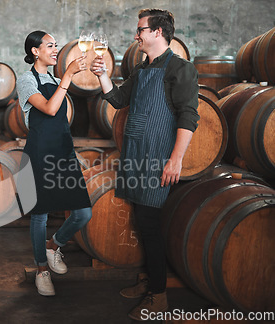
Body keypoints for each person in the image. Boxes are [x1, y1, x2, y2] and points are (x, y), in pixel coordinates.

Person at [90, 9, 200, 320]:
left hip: (158, 157)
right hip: (136, 155)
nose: (136, 35)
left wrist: (175, 159)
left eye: (141, 29)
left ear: (157, 32)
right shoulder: (141, 70)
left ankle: (159, 296)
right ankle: (152, 281)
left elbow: (188, 116)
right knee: (142, 222)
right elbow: (117, 99)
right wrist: (102, 76)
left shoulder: (181, 69)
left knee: (150, 227)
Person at [16, 31, 93, 297]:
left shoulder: (57, 80)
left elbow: (61, 114)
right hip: (39, 153)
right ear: (35, 51)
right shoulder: (27, 80)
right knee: (40, 214)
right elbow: (48, 109)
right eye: (50, 46)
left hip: (63, 152)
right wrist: (69, 77)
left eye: (56, 46)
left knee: (83, 212)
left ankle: (53, 245)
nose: (56, 50)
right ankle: (41, 270)